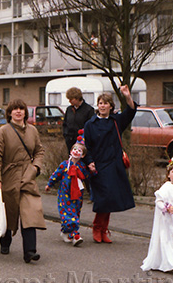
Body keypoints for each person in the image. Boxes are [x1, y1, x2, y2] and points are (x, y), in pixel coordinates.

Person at [0, 99, 46, 263]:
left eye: (21, 108)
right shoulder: (3, 131)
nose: (18, 111)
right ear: (9, 113)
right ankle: (5, 241)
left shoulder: (33, 131)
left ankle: (30, 251)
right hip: (8, 177)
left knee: (30, 212)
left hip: (28, 177)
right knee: (8, 212)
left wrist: (35, 168)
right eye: (14, 109)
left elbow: (39, 151)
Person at [83, 85, 137, 243]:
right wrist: (90, 162)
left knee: (110, 199)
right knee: (103, 198)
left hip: (114, 165)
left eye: (106, 103)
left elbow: (131, 111)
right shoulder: (90, 124)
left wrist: (127, 96)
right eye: (100, 103)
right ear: (97, 106)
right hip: (98, 166)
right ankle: (97, 227)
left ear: (111, 106)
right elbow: (87, 146)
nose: (103, 106)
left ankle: (103, 229)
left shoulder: (116, 121)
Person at [45, 137, 95, 246]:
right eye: (75, 149)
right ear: (71, 151)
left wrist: (93, 171)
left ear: (83, 155)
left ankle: (64, 231)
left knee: (75, 213)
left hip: (77, 195)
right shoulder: (64, 165)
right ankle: (75, 235)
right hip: (65, 194)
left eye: (79, 150)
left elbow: (87, 175)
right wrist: (49, 184)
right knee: (70, 215)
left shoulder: (81, 166)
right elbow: (56, 175)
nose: (76, 151)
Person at [62, 87, 95, 152]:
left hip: (82, 142)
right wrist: (66, 135)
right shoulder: (69, 109)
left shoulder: (89, 110)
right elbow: (65, 123)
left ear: (77, 98)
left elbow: (91, 127)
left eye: (71, 99)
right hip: (70, 141)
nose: (69, 101)